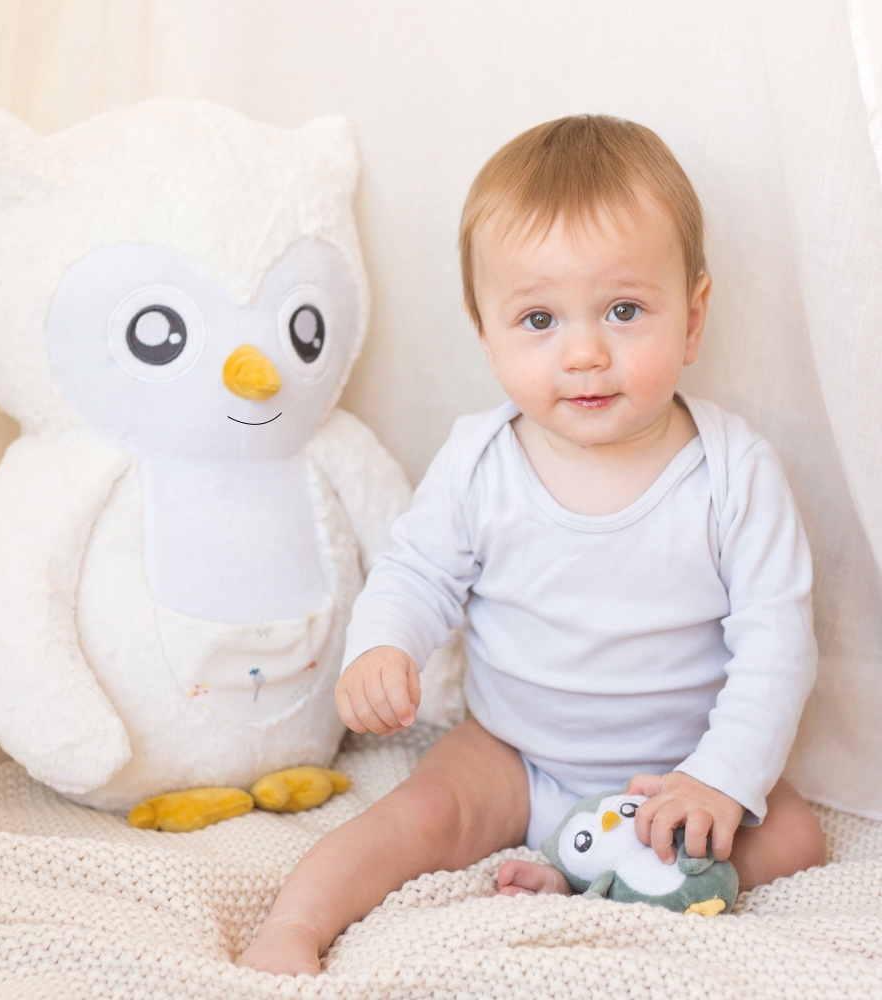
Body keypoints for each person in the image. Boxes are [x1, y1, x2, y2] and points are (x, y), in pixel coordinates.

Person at [237, 115, 826, 976]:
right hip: (514, 751)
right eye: (540, 319)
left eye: (625, 311)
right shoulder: (482, 460)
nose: (584, 352)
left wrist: (720, 778)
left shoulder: (734, 472)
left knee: (798, 837)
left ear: (693, 318)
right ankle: (292, 925)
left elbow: (778, 643)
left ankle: (602, 872)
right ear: (486, 333)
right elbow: (416, 570)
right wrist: (383, 643)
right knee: (420, 814)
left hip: (673, 771)